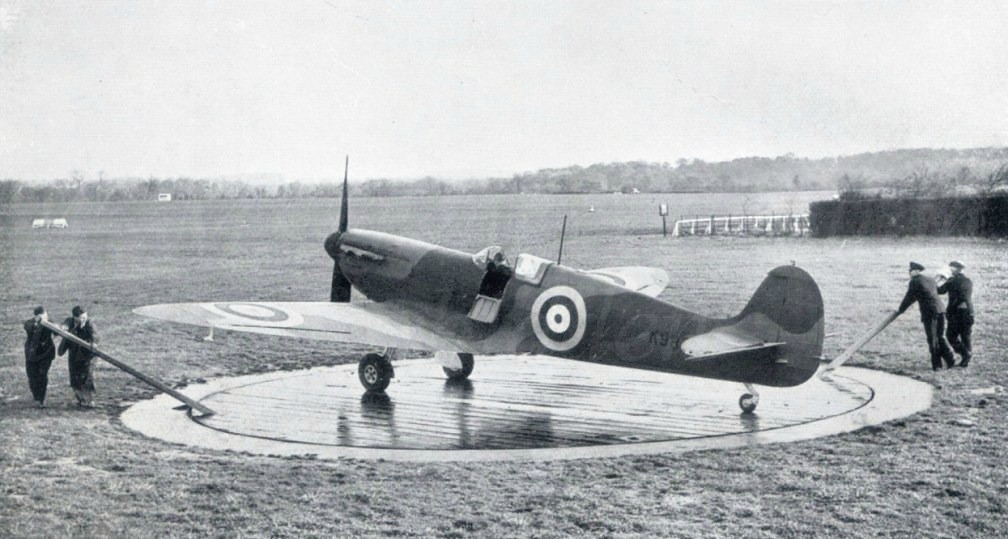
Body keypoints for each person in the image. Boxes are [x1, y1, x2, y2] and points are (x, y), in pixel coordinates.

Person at [896, 262, 955, 370]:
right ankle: (951, 358)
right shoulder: (930, 279)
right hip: (941, 310)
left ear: (916, 271)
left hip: (929, 313)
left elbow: (909, 297)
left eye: (911, 271)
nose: (909, 273)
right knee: (941, 336)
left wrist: (900, 310)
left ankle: (937, 366)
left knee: (932, 339)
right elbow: (928, 293)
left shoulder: (914, 281)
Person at [59, 305, 98, 408]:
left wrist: (94, 343)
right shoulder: (71, 321)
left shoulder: (90, 324)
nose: (83, 319)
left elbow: (95, 335)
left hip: (87, 356)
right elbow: (66, 322)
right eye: (81, 318)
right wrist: (64, 327)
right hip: (74, 354)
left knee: (87, 377)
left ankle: (89, 400)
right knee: (74, 377)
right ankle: (81, 399)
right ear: (75, 317)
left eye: (85, 317)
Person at [937, 260, 974, 367]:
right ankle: (966, 360)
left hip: (956, 312)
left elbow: (939, 290)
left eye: (952, 267)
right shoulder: (968, 281)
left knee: (950, 336)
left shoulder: (952, 281)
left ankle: (965, 354)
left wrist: (940, 278)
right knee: (966, 336)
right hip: (969, 312)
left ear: (957, 269)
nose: (950, 269)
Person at [23, 306, 56, 408]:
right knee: (32, 376)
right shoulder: (29, 323)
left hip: (46, 353)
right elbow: (28, 328)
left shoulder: (50, 322)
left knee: (42, 375)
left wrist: (54, 327)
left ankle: (41, 399)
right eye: (41, 317)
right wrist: (37, 324)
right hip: (31, 354)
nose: (44, 318)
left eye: (45, 316)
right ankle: (36, 397)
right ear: (36, 317)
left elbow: (57, 331)